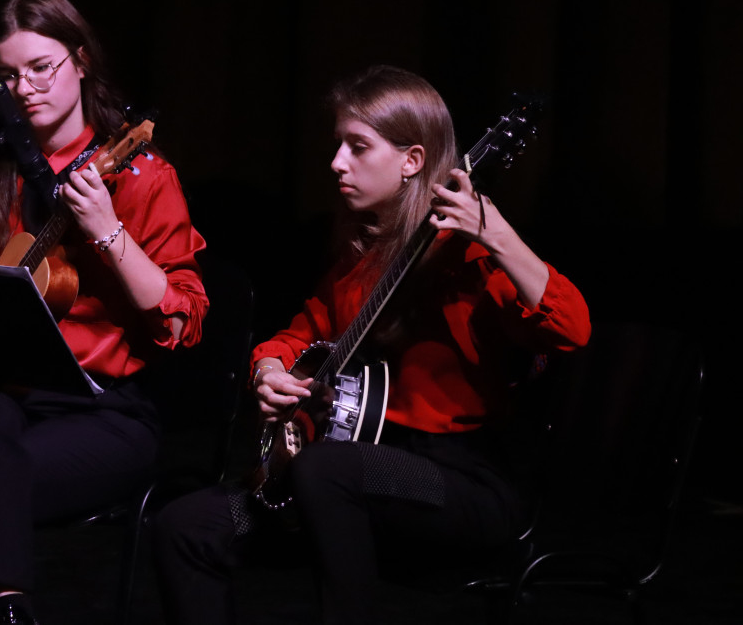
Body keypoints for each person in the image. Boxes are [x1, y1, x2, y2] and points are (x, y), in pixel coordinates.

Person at [152, 65, 591, 625]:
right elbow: (294, 337)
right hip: (349, 482)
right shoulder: (357, 264)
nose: (337, 162)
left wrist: (496, 234)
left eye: (358, 147)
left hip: (461, 486)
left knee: (328, 468)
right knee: (186, 525)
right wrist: (267, 371)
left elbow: (572, 330)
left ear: (411, 161)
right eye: (337, 145)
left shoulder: (472, 258)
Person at [0, 0, 208, 625]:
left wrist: (106, 229)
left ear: (81, 60)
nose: (26, 87)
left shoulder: (141, 174)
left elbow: (181, 318)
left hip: (103, 414)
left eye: (42, 67)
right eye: (8, 75)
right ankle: (8, 610)